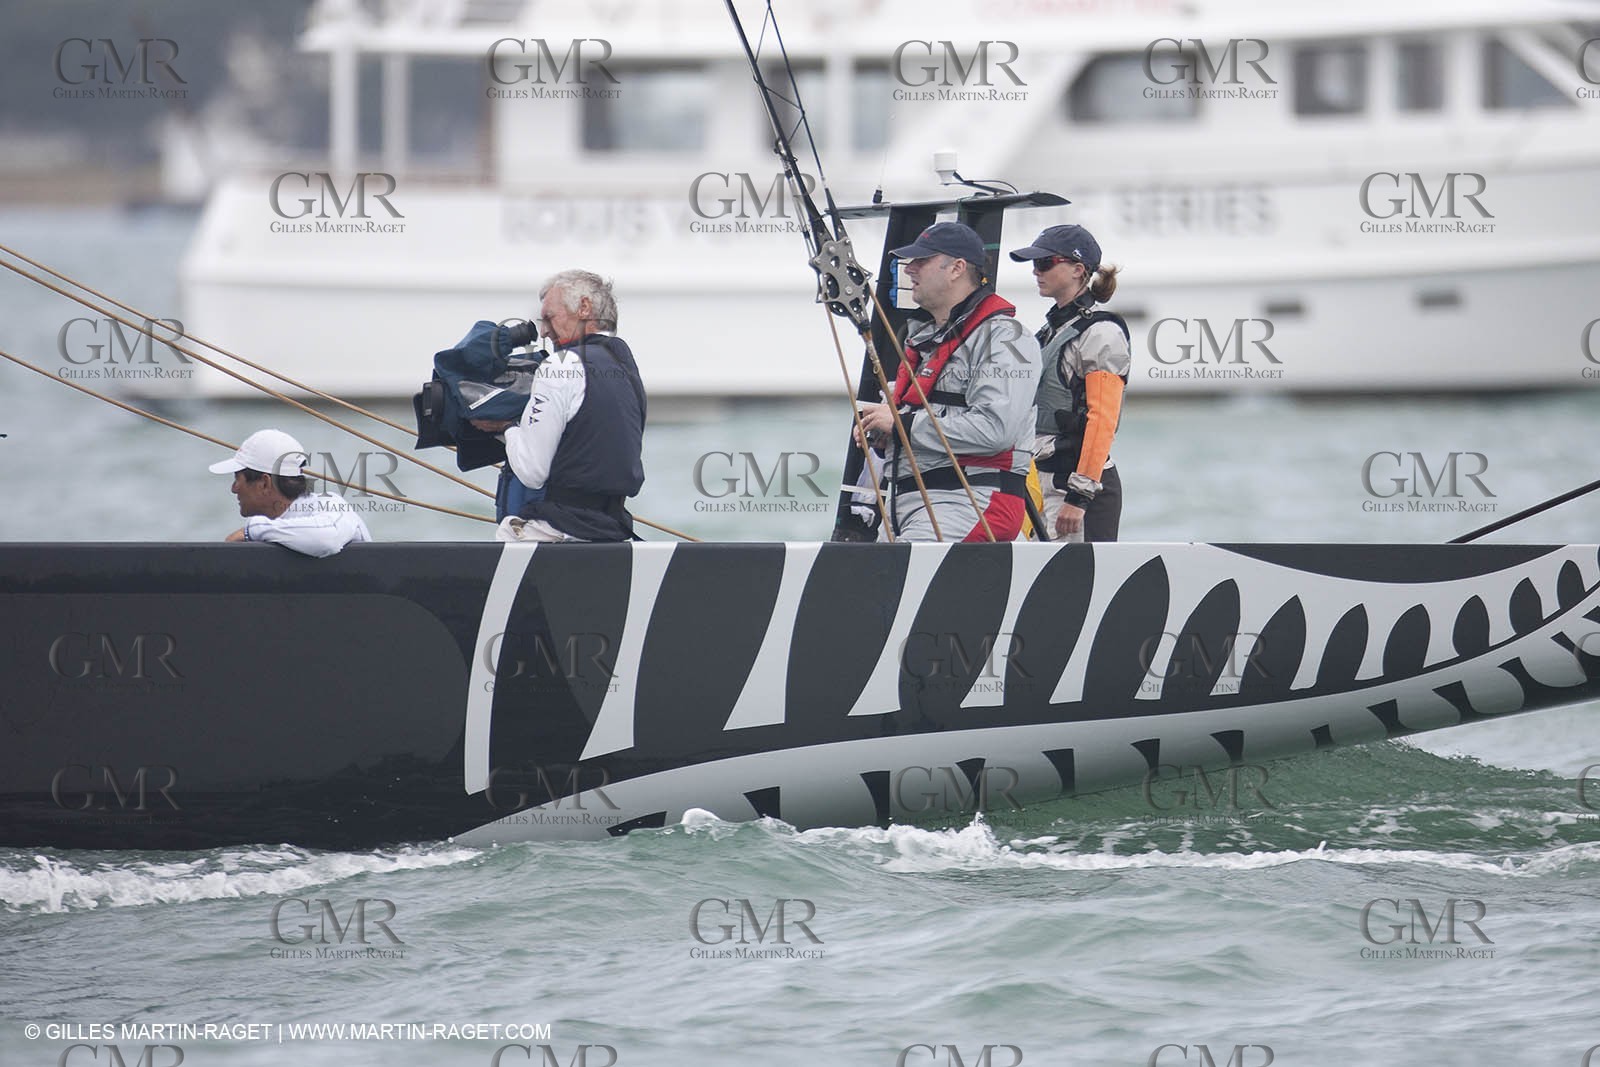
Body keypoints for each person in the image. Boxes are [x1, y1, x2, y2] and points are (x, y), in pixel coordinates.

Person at [854, 222, 1040, 542]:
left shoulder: (1007, 338)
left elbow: (996, 429)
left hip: (971, 502)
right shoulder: (928, 340)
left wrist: (901, 425)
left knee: (891, 582)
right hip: (911, 504)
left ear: (956, 268)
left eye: (921, 260)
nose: (909, 268)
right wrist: (885, 432)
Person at [470, 270, 645, 542]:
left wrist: (506, 428)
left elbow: (532, 472)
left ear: (584, 308)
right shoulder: (624, 364)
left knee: (506, 533)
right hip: (614, 531)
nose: (543, 331)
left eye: (549, 317)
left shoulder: (560, 365)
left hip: (561, 531)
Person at [1009, 224, 1129, 542]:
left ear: (1078, 270)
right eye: (1034, 265)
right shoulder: (1051, 331)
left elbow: (1102, 421)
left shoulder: (1102, 334)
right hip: (1043, 482)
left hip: (1078, 492)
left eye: (1045, 263)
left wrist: (1079, 498)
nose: (1036, 271)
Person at [209, 428, 372, 557]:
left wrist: (251, 531)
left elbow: (327, 539)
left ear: (265, 483)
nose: (234, 488)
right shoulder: (270, 527)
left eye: (237, 479)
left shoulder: (331, 506)